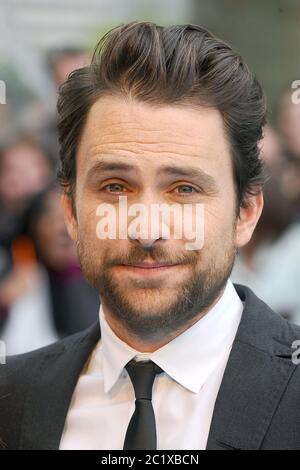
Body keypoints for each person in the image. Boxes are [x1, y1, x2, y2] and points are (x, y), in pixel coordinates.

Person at [1, 21, 300, 451]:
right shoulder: (11, 400)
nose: (145, 228)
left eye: (185, 189)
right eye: (115, 187)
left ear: (246, 212)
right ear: (69, 210)